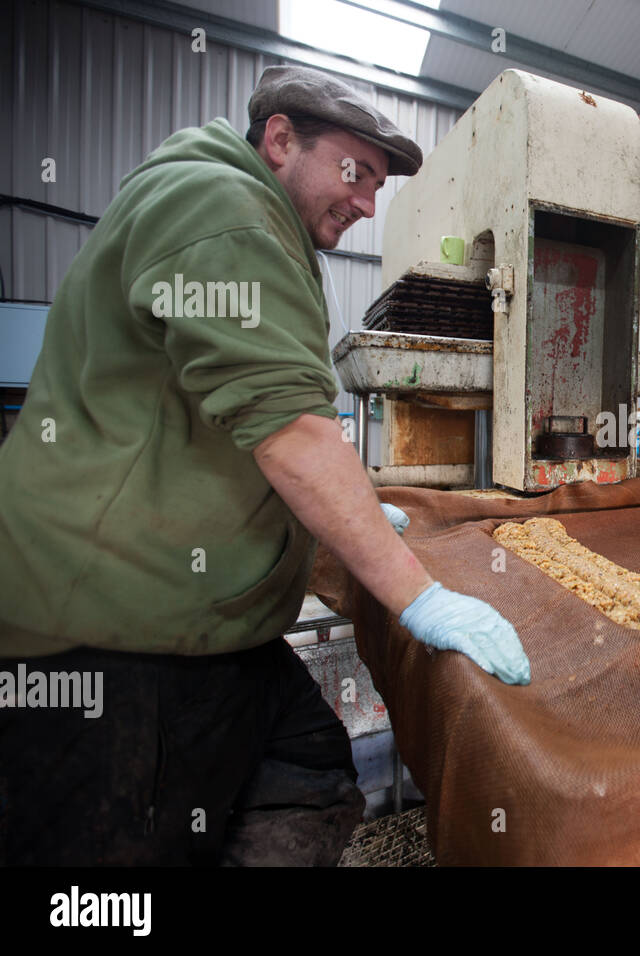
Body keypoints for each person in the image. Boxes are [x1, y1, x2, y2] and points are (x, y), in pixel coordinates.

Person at [0, 65, 528, 866]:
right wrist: (420, 598)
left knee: (308, 766)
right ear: (280, 139)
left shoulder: (263, 226)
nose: (365, 202)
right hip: (114, 639)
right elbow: (291, 431)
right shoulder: (225, 212)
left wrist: (328, 514)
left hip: (208, 622)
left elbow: (231, 417)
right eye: (356, 173)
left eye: (378, 187)